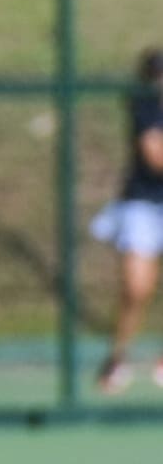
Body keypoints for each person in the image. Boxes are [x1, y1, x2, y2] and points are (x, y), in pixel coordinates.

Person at [89, 47, 163, 393]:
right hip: (143, 205)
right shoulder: (144, 104)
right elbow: (155, 156)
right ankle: (117, 357)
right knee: (136, 288)